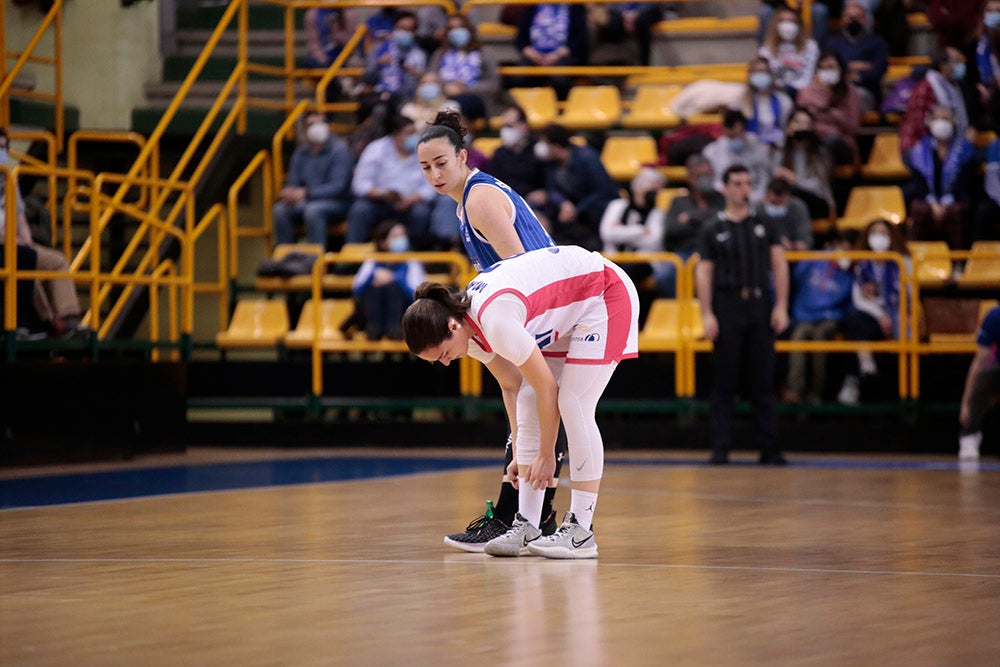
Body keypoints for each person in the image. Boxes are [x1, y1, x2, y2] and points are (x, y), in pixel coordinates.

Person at [402, 244, 640, 558]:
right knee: (528, 397)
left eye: (444, 354)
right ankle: (527, 524)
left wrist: (545, 455)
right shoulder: (466, 329)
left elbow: (547, 388)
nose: (446, 363)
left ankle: (582, 531)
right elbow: (512, 385)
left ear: (452, 326)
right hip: (570, 307)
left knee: (574, 403)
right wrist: (518, 450)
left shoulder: (496, 324)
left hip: (604, 294)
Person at [415, 110, 561, 552]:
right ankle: (526, 516)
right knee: (521, 401)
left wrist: (511, 331)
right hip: (535, 308)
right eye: (425, 168)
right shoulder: (467, 200)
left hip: (544, 310)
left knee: (538, 406)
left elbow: (523, 272)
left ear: (462, 156)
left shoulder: (477, 199)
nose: (434, 174)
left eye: (441, 163)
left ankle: (521, 518)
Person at [695, 164, 790, 465]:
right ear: (724, 188)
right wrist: (707, 312)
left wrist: (781, 305)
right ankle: (721, 448)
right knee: (724, 380)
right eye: (736, 183)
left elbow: (779, 264)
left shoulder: (764, 223)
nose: (743, 189)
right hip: (727, 305)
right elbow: (704, 271)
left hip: (759, 304)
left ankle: (770, 449)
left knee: (763, 380)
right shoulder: (713, 227)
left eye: (747, 183)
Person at [0, 129, 88, 339]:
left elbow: (20, 218)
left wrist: (26, 239)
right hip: (4, 246)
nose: (2, 152)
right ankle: (50, 323)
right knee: (26, 260)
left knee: (56, 261)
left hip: (15, 244)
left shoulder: (9, 180)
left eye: (4, 147)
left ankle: (67, 319)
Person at [836, 218, 909, 406]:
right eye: (874, 233)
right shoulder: (862, 264)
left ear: (891, 236)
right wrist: (881, 316)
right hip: (874, 318)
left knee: (862, 334)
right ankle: (862, 368)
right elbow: (859, 299)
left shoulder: (904, 262)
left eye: (883, 233)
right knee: (855, 319)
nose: (879, 237)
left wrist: (893, 318)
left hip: (899, 316)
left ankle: (855, 380)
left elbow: (909, 295)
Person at [783, 232, 855, 404]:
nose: (844, 253)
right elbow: (796, 277)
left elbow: (851, 305)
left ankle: (816, 393)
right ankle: (795, 390)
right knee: (799, 335)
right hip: (806, 316)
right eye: (842, 248)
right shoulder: (816, 259)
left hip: (832, 319)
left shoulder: (854, 270)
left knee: (819, 337)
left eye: (849, 250)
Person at [347, 113, 436, 247]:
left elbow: (432, 186)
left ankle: (417, 259)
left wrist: (412, 199)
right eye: (408, 133)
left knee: (421, 213)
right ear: (395, 134)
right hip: (380, 202)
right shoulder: (376, 149)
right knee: (360, 210)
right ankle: (352, 258)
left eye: (415, 133)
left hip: (411, 204)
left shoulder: (424, 151)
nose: (414, 137)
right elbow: (360, 183)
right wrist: (381, 194)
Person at [534, 123, 620, 250]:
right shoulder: (550, 163)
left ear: (556, 146)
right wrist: (563, 203)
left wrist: (576, 209)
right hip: (570, 213)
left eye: (545, 143)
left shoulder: (587, 158)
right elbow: (551, 189)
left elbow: (603, 191)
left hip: (595, 211)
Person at [272, 112, 353, 248]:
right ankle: (285, 260)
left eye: (320, 124)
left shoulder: (340, 150)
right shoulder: (300, 153)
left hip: (338, 203)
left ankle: (315, 261)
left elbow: (338, 187)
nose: (317, 128)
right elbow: (293, 182)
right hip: (306, 202)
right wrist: (289, 193)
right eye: (311, 125)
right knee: (280, 210)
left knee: (313, 210)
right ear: (304, 130)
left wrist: (306, 193)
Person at [904, 105, 979, 249]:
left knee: (957, 211)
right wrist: (933, 204)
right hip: (928, 199)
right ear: (930, 122)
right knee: (918, 209)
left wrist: (946, 202)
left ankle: (959, 260)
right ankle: (914, 256)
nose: (941, 123)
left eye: (945, 119)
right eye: (937, 119)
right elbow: (919, 181)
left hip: (956, 198)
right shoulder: (920, 149)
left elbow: (964, 181)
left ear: (953, 123)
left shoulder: (964, 148)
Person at [659, 154, 725, 297]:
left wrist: (691, 218)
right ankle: (684, 308)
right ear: (689, 177)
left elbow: (722, 223)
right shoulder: (678, 201)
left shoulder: (721, 199)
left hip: (716, 252)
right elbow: (671, 229)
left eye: (707, 174)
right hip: (685, 252)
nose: (704, 179)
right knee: (663, 275)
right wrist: (706, 219)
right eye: (699, 175)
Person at [351, 220, 425, 341]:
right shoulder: (372, 261)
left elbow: (418, 296)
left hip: (405, 317)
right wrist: (373, 278)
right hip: (372, 316)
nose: (401, 239)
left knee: (394, 289)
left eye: (403, 235)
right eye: (395, 236)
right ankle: (374, 330)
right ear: (383, 242)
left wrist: (395, 279)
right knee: (374, 289)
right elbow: (357, 291)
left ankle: (395, 330)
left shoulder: (412, 263)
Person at [599, 167, 666, 286]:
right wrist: (640, 230)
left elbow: (654, 242)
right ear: (636, 187)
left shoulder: (657, 213)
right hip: (613, 258)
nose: (653, 193)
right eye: (650, 188)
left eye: (656, 190)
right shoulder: (617, 205)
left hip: (642, 262)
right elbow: (606, 233)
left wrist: (620, 230)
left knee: (626, 272)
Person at [796, 50, 862, 165]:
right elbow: (799, 120)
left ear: (841, 69)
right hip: (813, 139)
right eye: (823, 68)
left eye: (831, 67)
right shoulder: (806, 92)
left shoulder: (850, 93)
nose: (827, 71)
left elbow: (853, 128)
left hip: (840, 144)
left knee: (830, 141)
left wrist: (837, 117)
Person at [899, 47, 970, 155]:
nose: (960, 65)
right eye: (956, 61)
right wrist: (940, 144)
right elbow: (919, 123)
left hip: (948, 146)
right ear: (943, 66)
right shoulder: (927, 87)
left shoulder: (955, 87)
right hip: (919, 147)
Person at [511, 3, 589, 100]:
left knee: (560, 78)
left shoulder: (574, 7)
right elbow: (520, 38)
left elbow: (579, 39)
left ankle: (561, 111)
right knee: (519, 77)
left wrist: (556, 55)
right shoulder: (532, 6)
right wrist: (531, 53)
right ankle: (524, 111)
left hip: (563, 55)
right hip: (534, 55)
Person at [823, 0, 890, 114]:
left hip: (866, 91)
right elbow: (827, 67)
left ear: (865, 20)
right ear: (842, 20)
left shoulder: (877, 43)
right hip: (836, 90)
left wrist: (855, 74)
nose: (853, 20)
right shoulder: (832, 43)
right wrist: (855, 67)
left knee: (853, 97)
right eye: (849, 17)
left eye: (858, 17)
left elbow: (878, 70)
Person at [774, 107, 836, 221]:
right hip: (788, 201)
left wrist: (794, 180)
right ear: (788, 127)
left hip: (817, 201)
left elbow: (818, 185)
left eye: (806, 123)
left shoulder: (820, 153)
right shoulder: (779, 153)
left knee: (793, 195)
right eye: (797, 122)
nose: (801, 127)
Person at [702, 109, 772, 204]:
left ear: (744, 130)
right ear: (724, 131)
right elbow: (710, 182)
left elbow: (764, 179)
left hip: (754, 199)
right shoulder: (711, 152)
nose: (736, 139)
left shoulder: (758, 149)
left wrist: (755, 197)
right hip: (722, 200)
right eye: (732, 136)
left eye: (739, 135)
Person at [958, 303, 1000, 460]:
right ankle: (970, 433)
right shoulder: (995, 316)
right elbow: (979, 361)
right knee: (983, 375)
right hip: (997, 372)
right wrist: (965, 403)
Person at [489, 103, 548, 207]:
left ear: (524, 125)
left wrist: (544, 193)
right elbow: (495, 184)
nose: (506, 131)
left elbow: (549, 181)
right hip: (508, 202)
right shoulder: (499, 153)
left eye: (510, 126)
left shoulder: (539, 149)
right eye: (503, 126)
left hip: (537, 203)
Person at [758, 3, 821, 97]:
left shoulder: (810, 46)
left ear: (798, 24)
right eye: (782, 21)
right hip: (778, 94)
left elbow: (809, 74)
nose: (787, 25)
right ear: (775, 25)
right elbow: (769, 78)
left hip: (803, 93)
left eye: (791, 21)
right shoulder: (765, 50)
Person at [364, 11, 427, 99]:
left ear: (415, 32)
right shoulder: (379, 48)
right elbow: (367, 79)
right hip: (382, 95)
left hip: (408, 97)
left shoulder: (419, 54)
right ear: (394, 28)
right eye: (402, 28)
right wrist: (378, 63)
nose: (405, 33)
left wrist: (416, 75)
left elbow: (425, 82)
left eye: (409, 29)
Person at [738, 56, 795, 151]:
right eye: (757, 72)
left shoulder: (783, 100)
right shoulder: (740, 101)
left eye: (764, 72)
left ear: (770, 75)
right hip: (749, 149)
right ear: (750, 75)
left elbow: (786, 128)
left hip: (777, 148)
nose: (760, 75)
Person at [758, 176, 814, 250]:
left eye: (780, 203)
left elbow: (805, 242)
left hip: (793, 256)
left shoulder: (797, 209)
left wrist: (791, 245)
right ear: (766, 196)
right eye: (773, 202)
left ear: (788, 197)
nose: (776, 206)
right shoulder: (757, 210)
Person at [302, 6, 356, 70]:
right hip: (323, 59)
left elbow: (351, 42)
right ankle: (338, 78)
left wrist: (336, 32)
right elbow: (313, 44)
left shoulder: (347, 13)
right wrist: (324, 59)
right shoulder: (313, 14)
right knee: (309, 62)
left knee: (354, 64)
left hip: (344, 56)